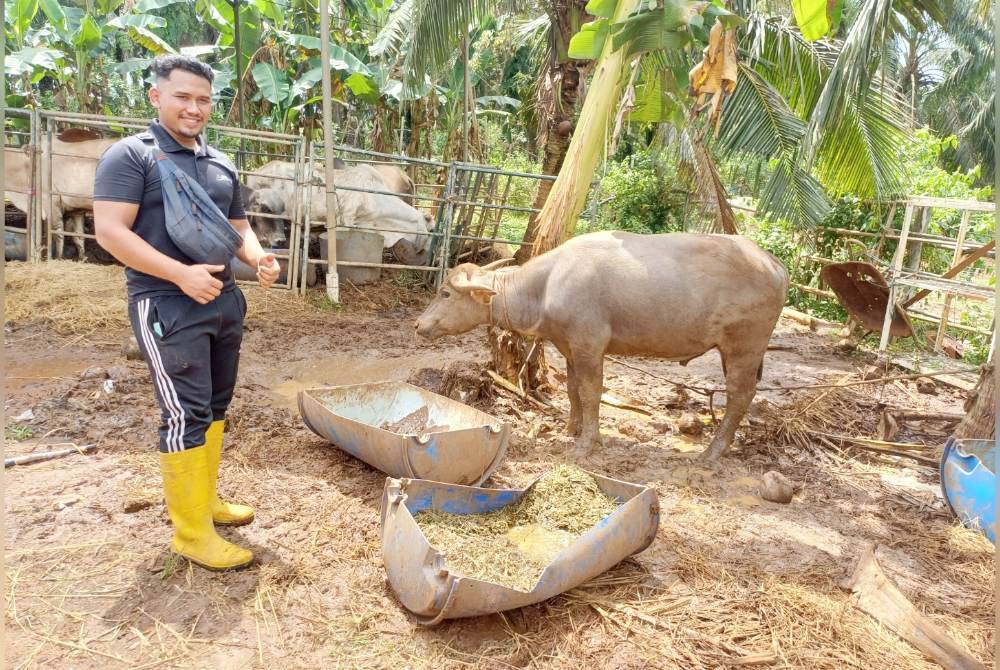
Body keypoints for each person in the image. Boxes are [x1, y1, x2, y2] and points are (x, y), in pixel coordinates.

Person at [94, 55, 279, 571]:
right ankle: (191, 532)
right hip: (167, 303)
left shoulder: (219, 161)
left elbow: (238, 226)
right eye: (182, 96)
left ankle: (207, 502)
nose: (193, 108)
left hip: (222, 300)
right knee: (185, 413)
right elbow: (110, 232)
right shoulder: (130, 157)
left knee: (216, 407)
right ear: (157, 97)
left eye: (202, 99)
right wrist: (179, 275)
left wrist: (257, 257)